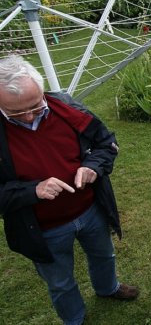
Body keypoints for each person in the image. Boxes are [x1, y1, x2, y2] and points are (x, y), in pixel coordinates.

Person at [0, 56, 138, 325]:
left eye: (35, 107)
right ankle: (75, 319)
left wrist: (92, 167)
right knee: (60, 282)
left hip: (89, 210)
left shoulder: (66, 107)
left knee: (104, 254)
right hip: (42, 228)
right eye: (15, 113)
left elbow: (105, 143)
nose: (28, 117)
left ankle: (107, 288)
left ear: (42, 92)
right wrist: (33, 191)